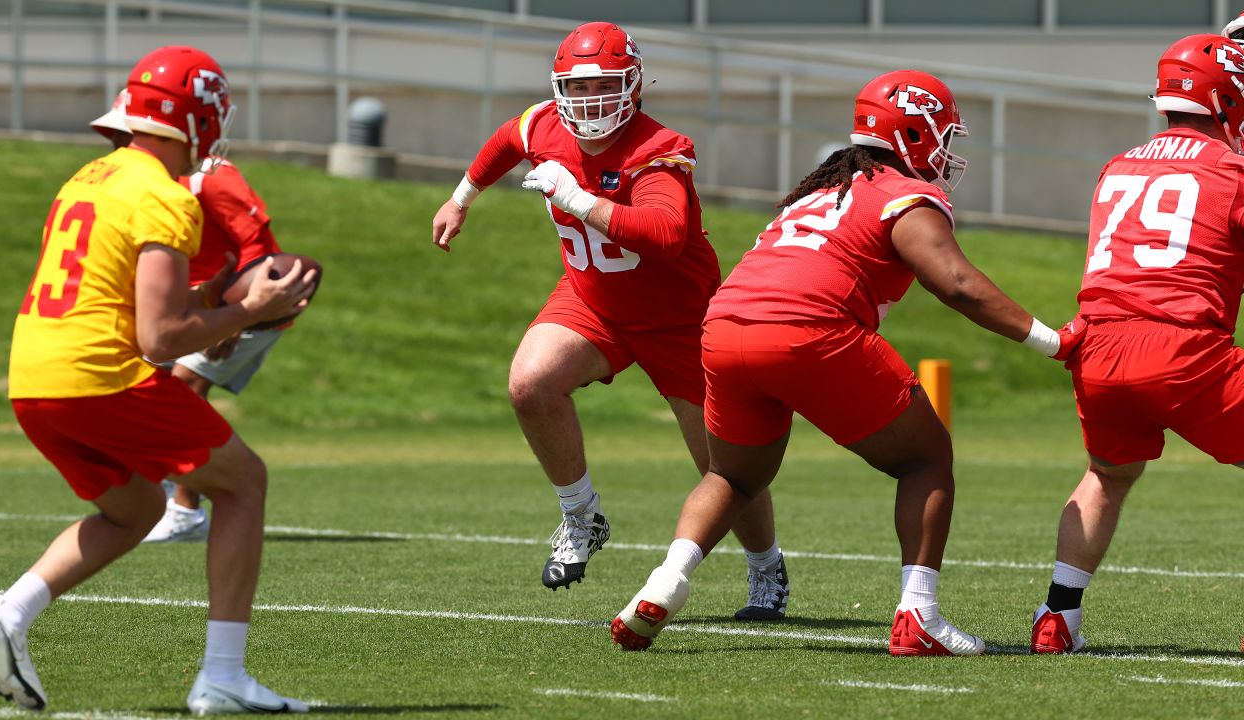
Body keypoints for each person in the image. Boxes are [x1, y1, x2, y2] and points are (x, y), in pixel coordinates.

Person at [611, 70, 1080, 656]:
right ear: (915, 129)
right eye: (943, 134)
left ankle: (665, 581)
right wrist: (1051, 340)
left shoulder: (818, 188)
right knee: (925, 458)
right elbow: (956, 283)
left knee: (730, 475)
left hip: (725, 324)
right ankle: (919, 616)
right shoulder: (905, 193)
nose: (947, 150)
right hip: (808, 328)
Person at [0, 46, 315, 712]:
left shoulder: (89, 176)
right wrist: (251, 309)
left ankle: (7, 615)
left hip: (34, 376)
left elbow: (130, 303)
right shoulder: (163, 194)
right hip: (97, 374)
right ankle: (223, 678)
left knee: (137, 508)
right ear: (196, 119)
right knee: (244, 482)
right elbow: (159, 341)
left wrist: (215, 309)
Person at [430, 21, 788, 618]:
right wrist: (461, 196)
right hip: (592, 301)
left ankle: (766, 566)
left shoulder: (658, 148)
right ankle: (580, 515)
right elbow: (503, 141)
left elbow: (667, 235)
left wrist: (576, 199)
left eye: (604, 86)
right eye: (577, 87)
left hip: (680, 320)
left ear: (634, 85)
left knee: (725, 468)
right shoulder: (544, 122)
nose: (590, 101)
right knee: (530, 384)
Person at [1031, 34, 1244, 655]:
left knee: (1108, 474)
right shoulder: (1230, 170)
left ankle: (1058, 615)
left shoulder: (1118, 164)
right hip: (1180, 348)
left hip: (1097, 347)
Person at [91, 90, 315, 544]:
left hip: (246, 300)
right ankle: (179, 488)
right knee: (150, 390)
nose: (122, 145)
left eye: (128, 134)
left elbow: (257, 247)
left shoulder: (211, 178)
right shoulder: (145, 183)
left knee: (184, 387)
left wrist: (240, 317)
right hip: (199, 304)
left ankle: (186, 511)